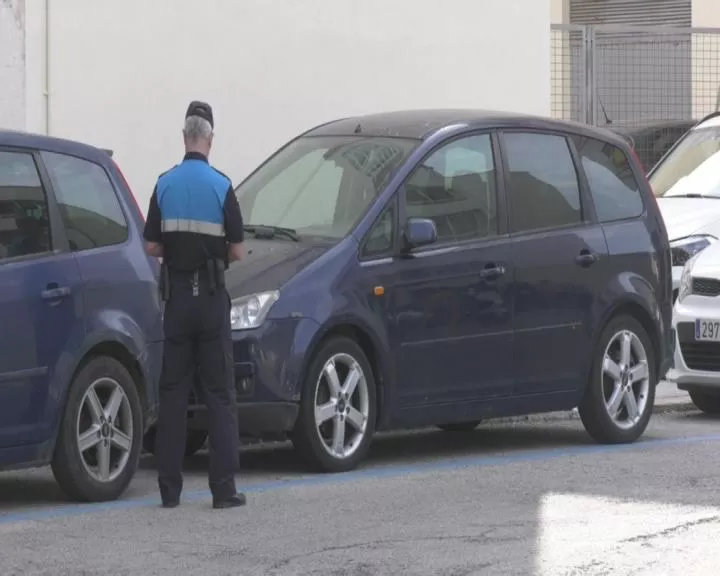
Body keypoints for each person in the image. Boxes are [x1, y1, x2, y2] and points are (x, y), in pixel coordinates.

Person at [143, 100, 246, 509]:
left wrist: (176, 247)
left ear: (185, 136)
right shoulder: (222, 186)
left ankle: (170, 491)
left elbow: (151, 243)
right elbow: (238, 251)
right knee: (219, 394)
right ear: (210, 138)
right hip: (211, 299)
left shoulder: (164, 183)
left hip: (178, 300)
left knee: (173, 395)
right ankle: (223, 490)